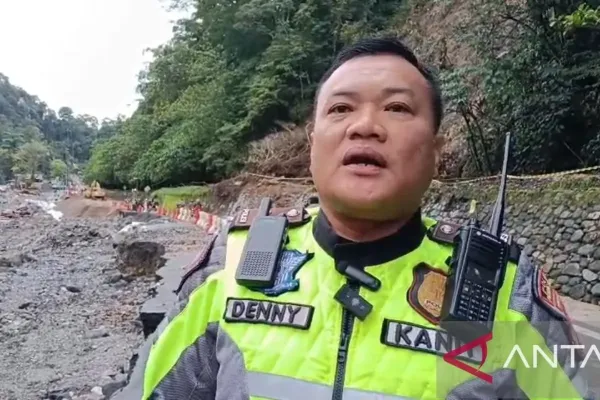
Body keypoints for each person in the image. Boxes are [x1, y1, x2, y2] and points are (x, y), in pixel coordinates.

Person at [119, 37, 592, 400]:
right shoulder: (232, 265)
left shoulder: (506, 292)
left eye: (397, 108)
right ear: (313, 145)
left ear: (436, 150)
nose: (365, 126)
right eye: (341, 108)